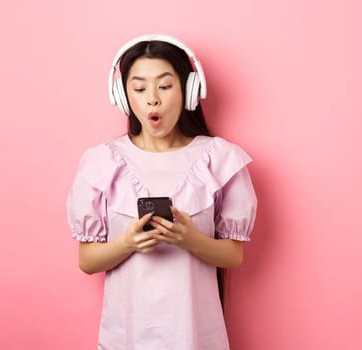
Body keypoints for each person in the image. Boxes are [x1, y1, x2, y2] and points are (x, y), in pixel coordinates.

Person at [66, 34, 257, 349]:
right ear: (123, 96)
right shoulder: (100, 163)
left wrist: (190, 240)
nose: (152, 99)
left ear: (189, 91)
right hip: (126, 338)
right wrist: (127, 243)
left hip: (195, 337)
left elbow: (233, 255)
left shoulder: (220, 159)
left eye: (165, 86)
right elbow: (87, 261)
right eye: (139, 89)